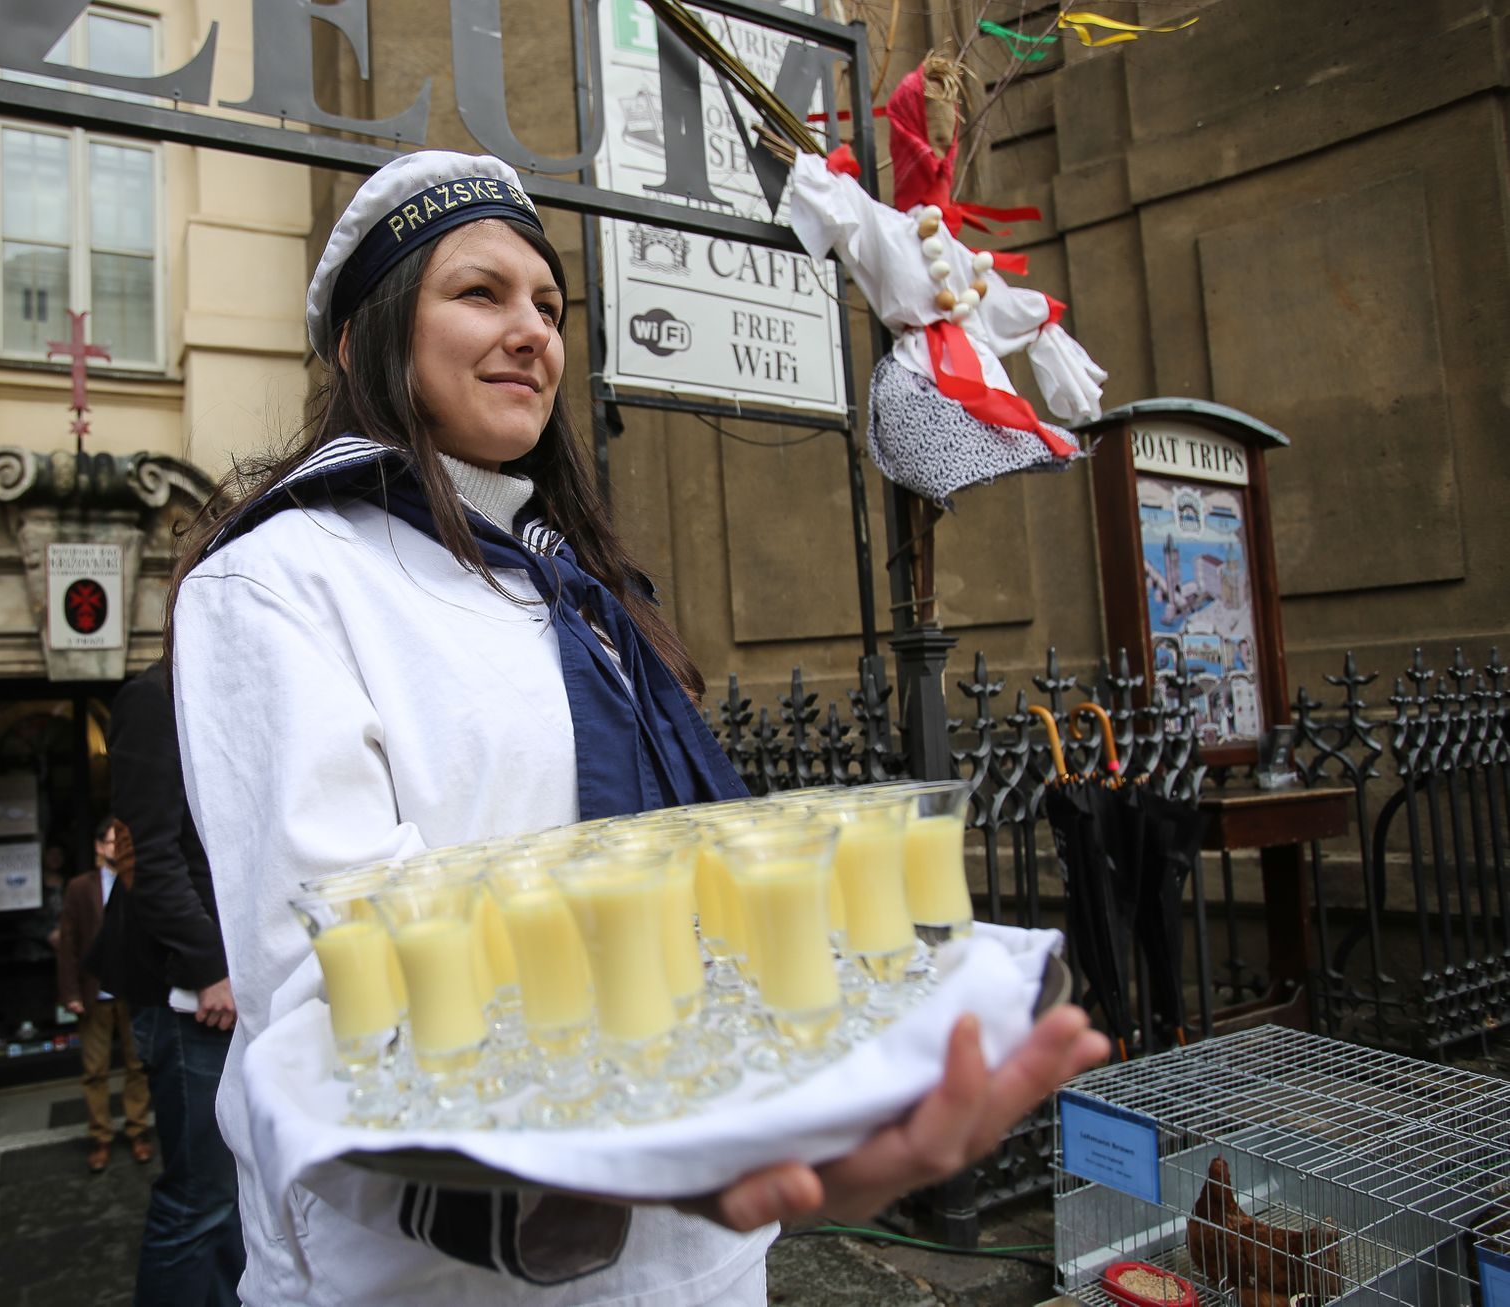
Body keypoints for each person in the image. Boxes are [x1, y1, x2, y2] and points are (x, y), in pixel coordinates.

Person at [167, 149, 1110, 1305]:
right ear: (377, 333)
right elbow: (331, 1002)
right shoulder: (280, 580)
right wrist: (674, 1145)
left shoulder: (580, 584)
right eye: (480, 293)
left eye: (550, 307)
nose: (532, 333)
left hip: (705, 1266)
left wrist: (824, 1070)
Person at [89, 661, 244, 1304]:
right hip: (189, 995)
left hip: (238, 987)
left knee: (236, 1192)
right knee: (199, 1201)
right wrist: (209, 971)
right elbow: (147, 860)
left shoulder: (229, 689)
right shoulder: (153, 699)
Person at [55, 818, 153, 1172]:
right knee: (95, 1070)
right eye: (110, 843)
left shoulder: (137, 882)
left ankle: (137, 1130)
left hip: (133, 991)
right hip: (95, 991)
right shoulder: (81, 888)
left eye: (121, 842)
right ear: (99, 847)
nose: (116, 849)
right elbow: (68, 944)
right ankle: (101, 1136)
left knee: (137, 1065)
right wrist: (70, 993)